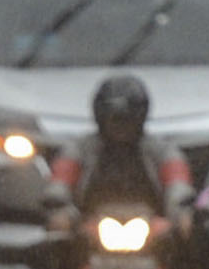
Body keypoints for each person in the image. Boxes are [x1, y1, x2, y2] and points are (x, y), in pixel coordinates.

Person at [49, 72, 194, 226]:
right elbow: (61, 180)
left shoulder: (162, 151)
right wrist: (60, 209)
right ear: (101, 118)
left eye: (127, 120)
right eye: (115, 120)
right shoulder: (79, 150)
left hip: (151, 224)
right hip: (89, 224)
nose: (121, 127)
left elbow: (178, 182)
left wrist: (181, 212)